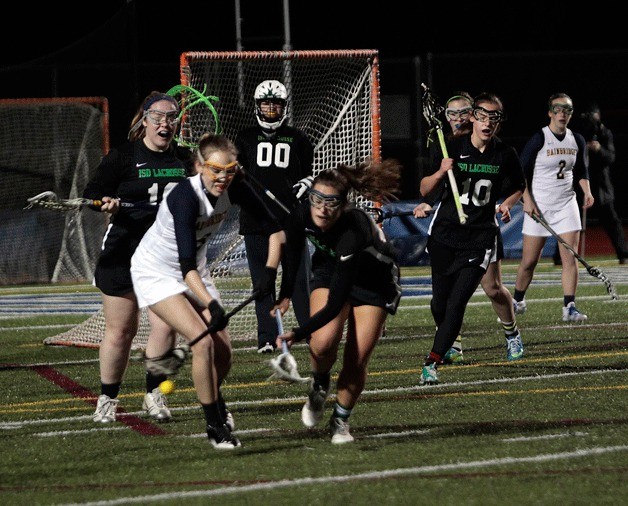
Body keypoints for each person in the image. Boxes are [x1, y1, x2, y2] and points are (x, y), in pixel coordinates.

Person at [130, 133, 284, 449]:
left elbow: (276, 232)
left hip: (194, 269)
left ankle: (214, 397)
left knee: (224, 352)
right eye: (215, 170)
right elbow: (184, 268)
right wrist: (211, 304)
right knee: (202, 344)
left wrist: (269, 273)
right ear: (200, 166)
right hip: (157, 271)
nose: (223, 177)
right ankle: (214, 426)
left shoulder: (235, 186)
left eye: (229, 170)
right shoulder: (184, 197)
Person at [270, 161, 402, 444]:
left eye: (331, 202)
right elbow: (292, 250)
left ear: (343, 205)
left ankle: (340, 420)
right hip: (331, 268)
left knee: (356, 359)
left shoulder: (353, 232)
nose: (321, 208)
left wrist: (297, 332)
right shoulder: (302, 213)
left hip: (374, 281)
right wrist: (285, 294)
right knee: (322, 343)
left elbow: (335, 304)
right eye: (317, 199)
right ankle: (319, 384)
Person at [83, 91, 189, 424]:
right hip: (123, 252)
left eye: (171, 117)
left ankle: (153, 394)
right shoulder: (123, 157)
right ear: (144, 120)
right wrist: (105, 202)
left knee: (166, 326)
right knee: (120, 331)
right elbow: (90, 196)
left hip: (162, 258)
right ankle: (108, 398)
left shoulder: (185, 160)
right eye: (158, 117)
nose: (165, 124)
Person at [418, 92, 526, 385]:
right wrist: (441, 173)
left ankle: (434, 360)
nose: (488, 122)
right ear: (474, 119)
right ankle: (451, 343)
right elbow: (425, 189)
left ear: (499, 122)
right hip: (445, 236)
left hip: (479, 238)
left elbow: (518, 186)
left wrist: (507, 204)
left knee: (462, 300)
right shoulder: (451, 147)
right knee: (439, 305)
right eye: (483, 116)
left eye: (494, 117)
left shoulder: (505, 154)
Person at [235, 79, 314, 354]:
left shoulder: (299, 138)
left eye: (275, 104)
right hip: (256, 221)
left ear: (284, 107)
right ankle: (267, 338)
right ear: (258, 106)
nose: (270, 109)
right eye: (266, 103)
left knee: (299, 281)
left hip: (290, 218)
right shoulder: (244, 138)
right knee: (262, 282)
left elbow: (309, 173)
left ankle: (308, 330)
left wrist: (306, 184)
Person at [513, 93, 595, 322]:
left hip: (566, 204)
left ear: (571, 113)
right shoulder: (540, 138)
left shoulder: (576, 139)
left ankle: (569, 306)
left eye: (567, 109)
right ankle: (518, 299)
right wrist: (527, 200)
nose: (562, 113)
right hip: (540, 207)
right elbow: (520, 172)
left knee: (570, 257)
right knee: (529, 262)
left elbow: (581, 171)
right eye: (557, 109)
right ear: (550, 112)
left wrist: (586, 191)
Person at [577, 103, 627, 264]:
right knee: (572, 221)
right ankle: (560, 257)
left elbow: (610, 158)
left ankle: (623, 254)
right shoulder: (579, 133)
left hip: (601, 188)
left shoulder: (604, 133)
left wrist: (599, 149)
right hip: (582, 186)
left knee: (612, 222)